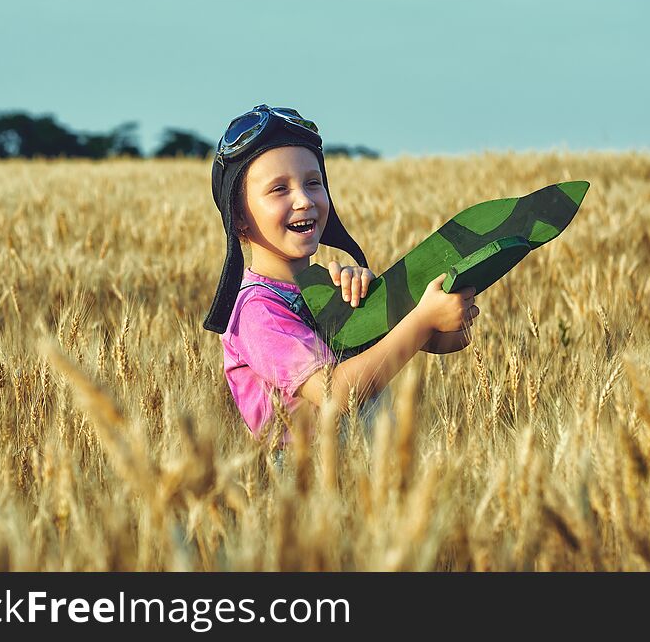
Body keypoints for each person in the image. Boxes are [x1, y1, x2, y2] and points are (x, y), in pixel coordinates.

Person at [204, 104, 479, 451]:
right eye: (279, 189)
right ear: (239, 217)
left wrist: (444, 314)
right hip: (308, 481)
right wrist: (423, 320)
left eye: (313, 182)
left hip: (370, 469)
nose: (303, 200)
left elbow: (443, 342)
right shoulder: (256, 311)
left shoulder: (334, 287)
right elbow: (334, 394)